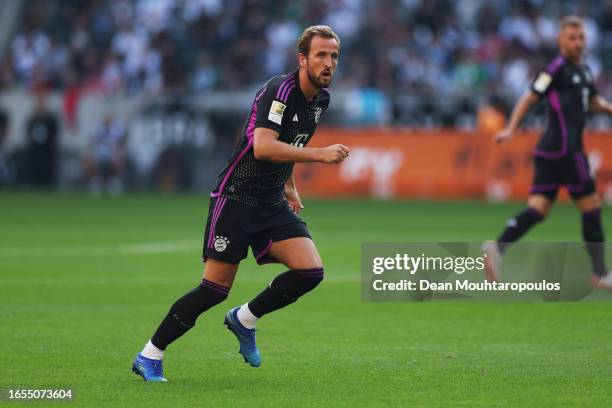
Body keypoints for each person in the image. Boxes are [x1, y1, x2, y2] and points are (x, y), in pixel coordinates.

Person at [132, 25, 349, 381]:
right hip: (236, 198)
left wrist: (290, 185)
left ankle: (244, 319)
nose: (329, 63)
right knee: (213, 289)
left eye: (334, 56)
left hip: (271, 202)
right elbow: (263, 146)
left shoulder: (320, 100)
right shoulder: (279, 91)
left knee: (311, 272)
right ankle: (149, 355)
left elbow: (290, 143)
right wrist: (320, 156)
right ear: (302, 59)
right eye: (321, 55)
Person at [483, 16, 612, 289]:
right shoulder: (555, 69)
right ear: (560, 40)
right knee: (591, 205)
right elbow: (529, 97)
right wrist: (510, 129)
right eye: (571, 38)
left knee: (538, 208)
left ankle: (497, 246)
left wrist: (609, 108)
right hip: (566, 150)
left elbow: (592, 102)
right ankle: (600, 273)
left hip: (549, 152)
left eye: (581, 38)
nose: (577, 43)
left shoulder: (584, 71)